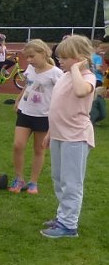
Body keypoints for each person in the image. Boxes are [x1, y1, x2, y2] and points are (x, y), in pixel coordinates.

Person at [40, 35, 96, 238]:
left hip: (76, 137)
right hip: (59, 135)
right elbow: (58, 107)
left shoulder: (87, 77)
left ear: (79, 57)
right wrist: (50, 133)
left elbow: (81, 92)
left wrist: (75, 69)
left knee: (71, 182)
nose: (59, 61)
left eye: (64, 57)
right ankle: (62, 216)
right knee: (58, 178)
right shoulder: (64, 76)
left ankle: (69, 225)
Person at [9, 40, 63, 194]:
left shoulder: (56, 73)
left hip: (43, 116)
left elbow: (61, 94)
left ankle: (33, 182)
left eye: (32, 56)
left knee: (39, 150)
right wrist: (19, 99)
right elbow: (28, 85)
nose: (29, 60)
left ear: (43, 53)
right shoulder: (30, 69)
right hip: (25, 112)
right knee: (18, 145)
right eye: (27, 57)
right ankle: (19, 178)